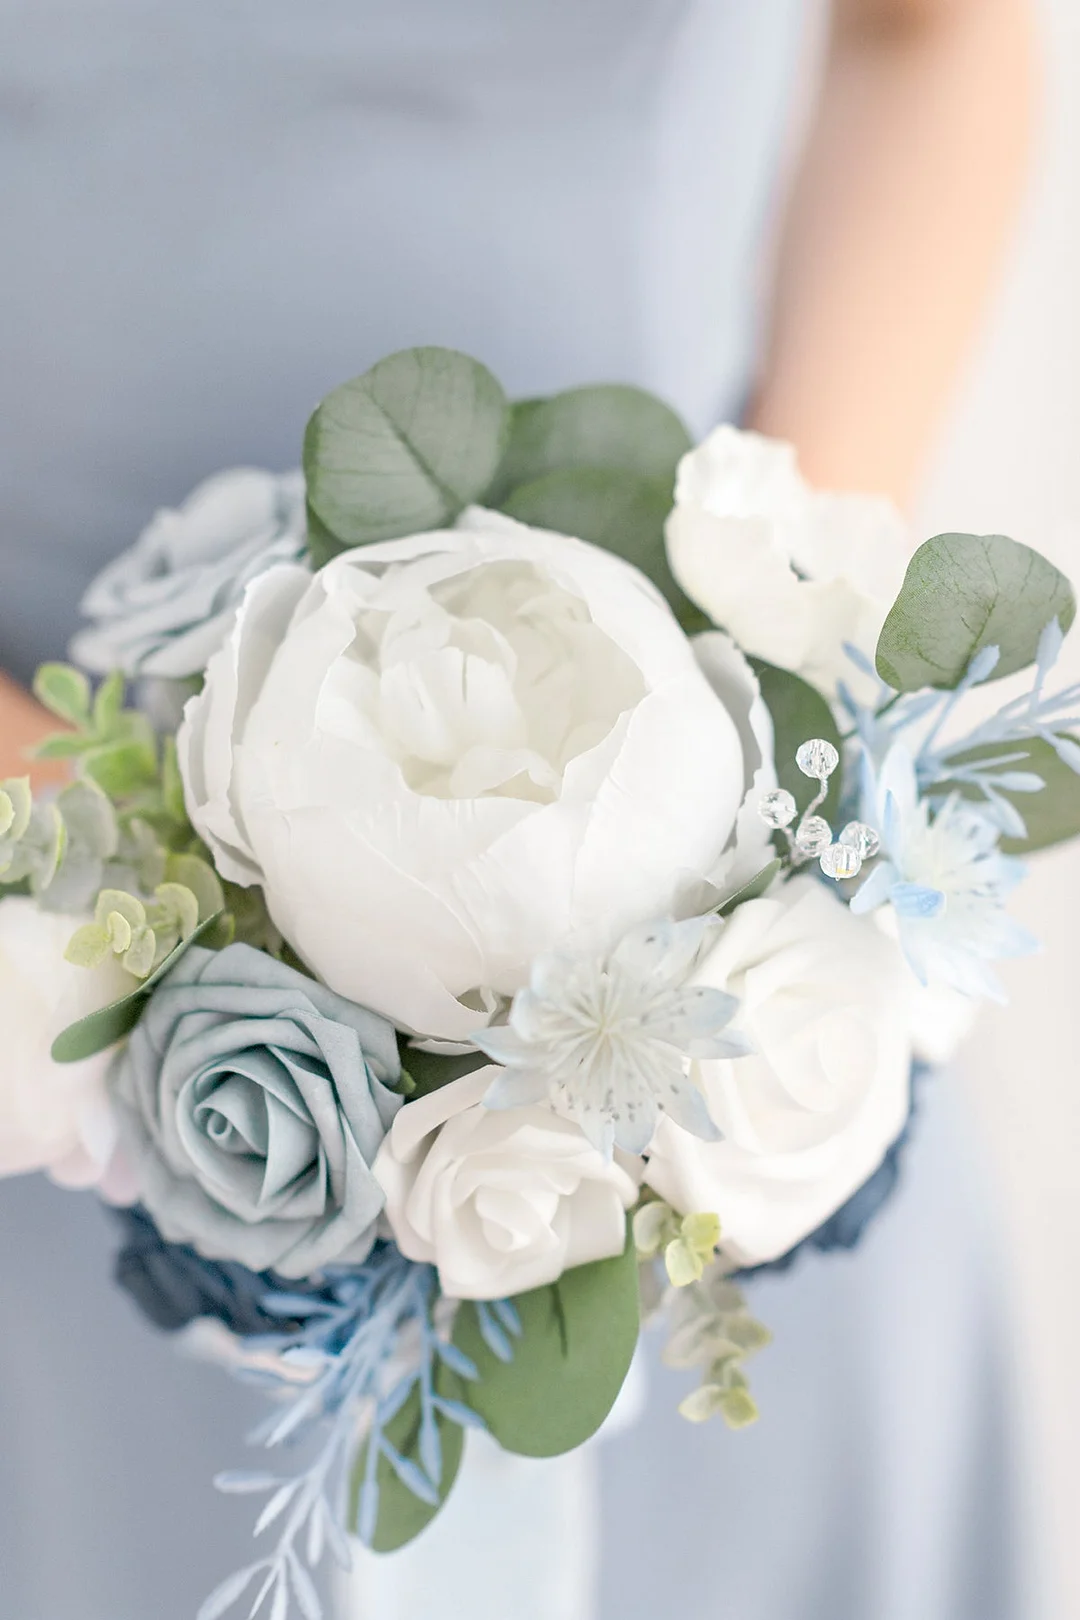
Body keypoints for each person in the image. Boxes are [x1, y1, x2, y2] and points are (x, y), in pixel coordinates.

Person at [0, 2, 1038, 1617]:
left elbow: (932, 41)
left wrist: (771, 672)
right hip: (56, 994)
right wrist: (131, 884)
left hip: (708, 1007)